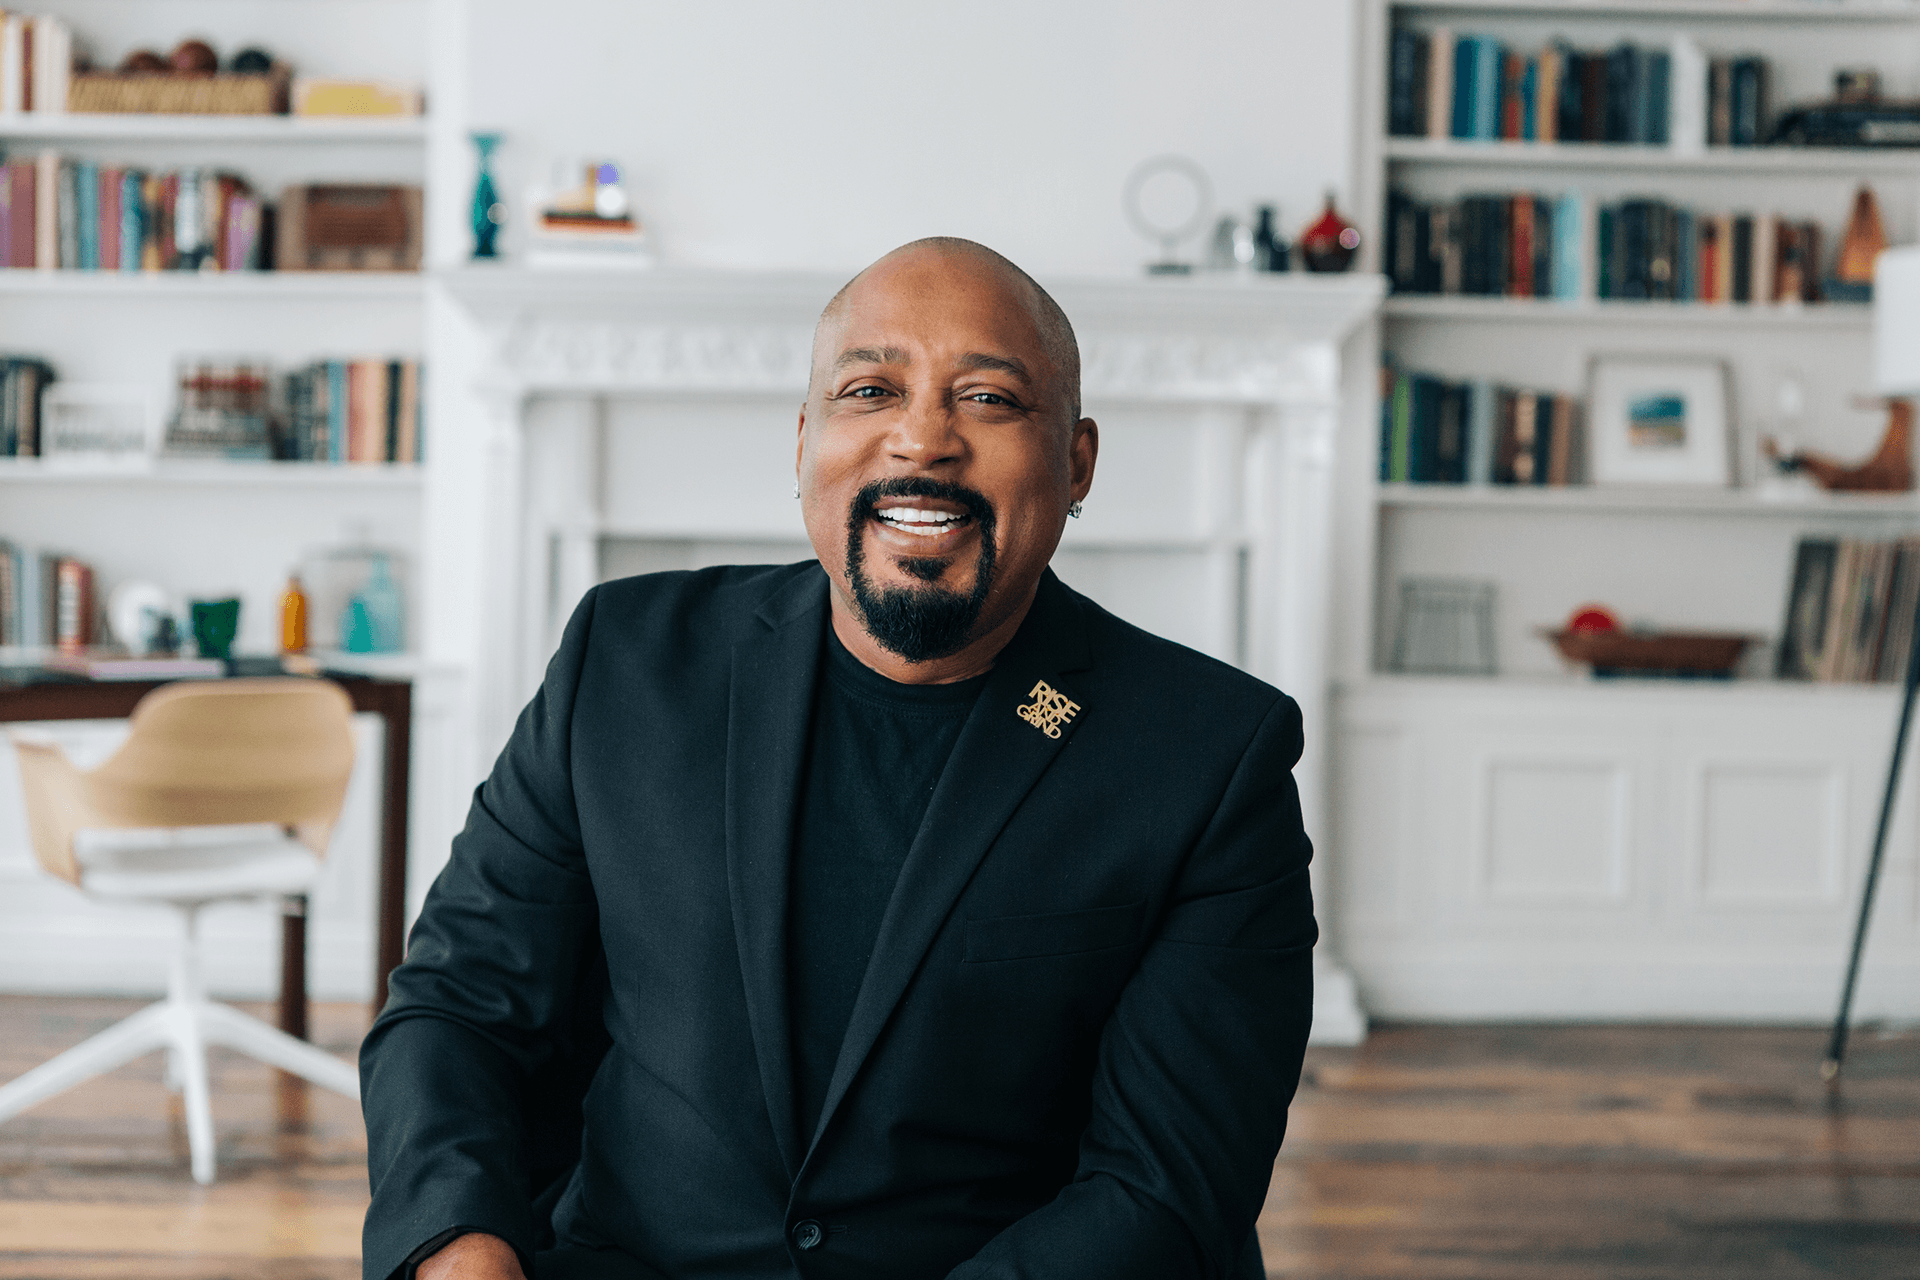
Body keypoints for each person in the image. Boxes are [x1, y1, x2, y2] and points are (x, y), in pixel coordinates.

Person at [360, 238, 1317, 1280]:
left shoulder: (1209, 755)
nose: (921, 439)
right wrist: (459, 1246)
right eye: (871, 389)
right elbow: (460, 1008)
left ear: (1076, 462)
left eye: (989, 399)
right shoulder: (626, 661)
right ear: (807, 438)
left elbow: (1166, 1182)